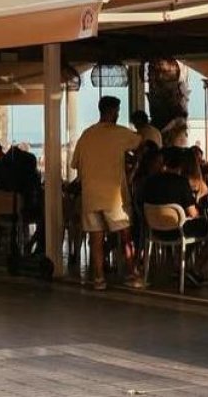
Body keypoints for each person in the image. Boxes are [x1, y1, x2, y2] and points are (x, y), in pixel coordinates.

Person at [70, 96, 144, 289]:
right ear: (112, 111)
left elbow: (75, 164)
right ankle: (132, 275)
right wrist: (133, 164)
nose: (118, 114)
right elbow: (142, 142)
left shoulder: (86, 135)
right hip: (114, 197)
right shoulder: (120, 133)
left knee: (96, 238)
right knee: (125, 236)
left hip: (90, 196)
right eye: (117, 111)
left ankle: (99, 279)